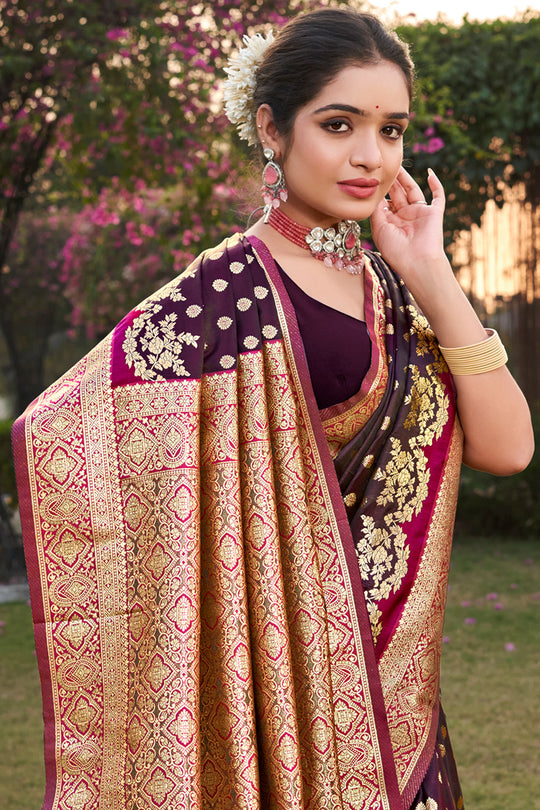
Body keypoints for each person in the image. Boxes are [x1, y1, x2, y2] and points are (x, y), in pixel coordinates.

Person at [13, 8, 533, 810]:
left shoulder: (395, 286)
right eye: (338, 124)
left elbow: (509, 446)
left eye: (391, 130)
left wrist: (431, 269)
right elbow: (63, 432)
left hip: (397, 695)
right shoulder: (226, 297)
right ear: (271, 129)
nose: (369, 155)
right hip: (280, 697)